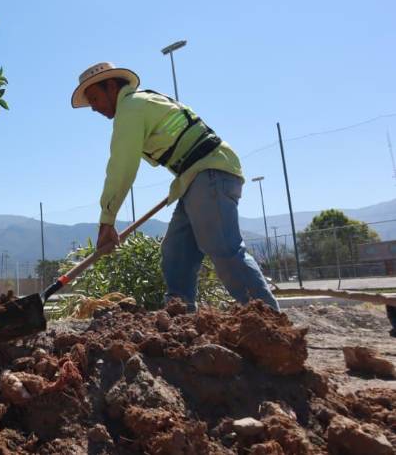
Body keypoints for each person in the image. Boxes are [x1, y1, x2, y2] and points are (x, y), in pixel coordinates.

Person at [71, 62, 279, 311]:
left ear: (112, 86)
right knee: (176, 253)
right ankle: (180, 319)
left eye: (94, 98)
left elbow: (121, 166)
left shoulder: (131, 108)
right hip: (195, 177)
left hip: (209, 172)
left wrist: (107, 220)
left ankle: (270, 320)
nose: (93, 108)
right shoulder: (144, 101)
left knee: (223, 248)